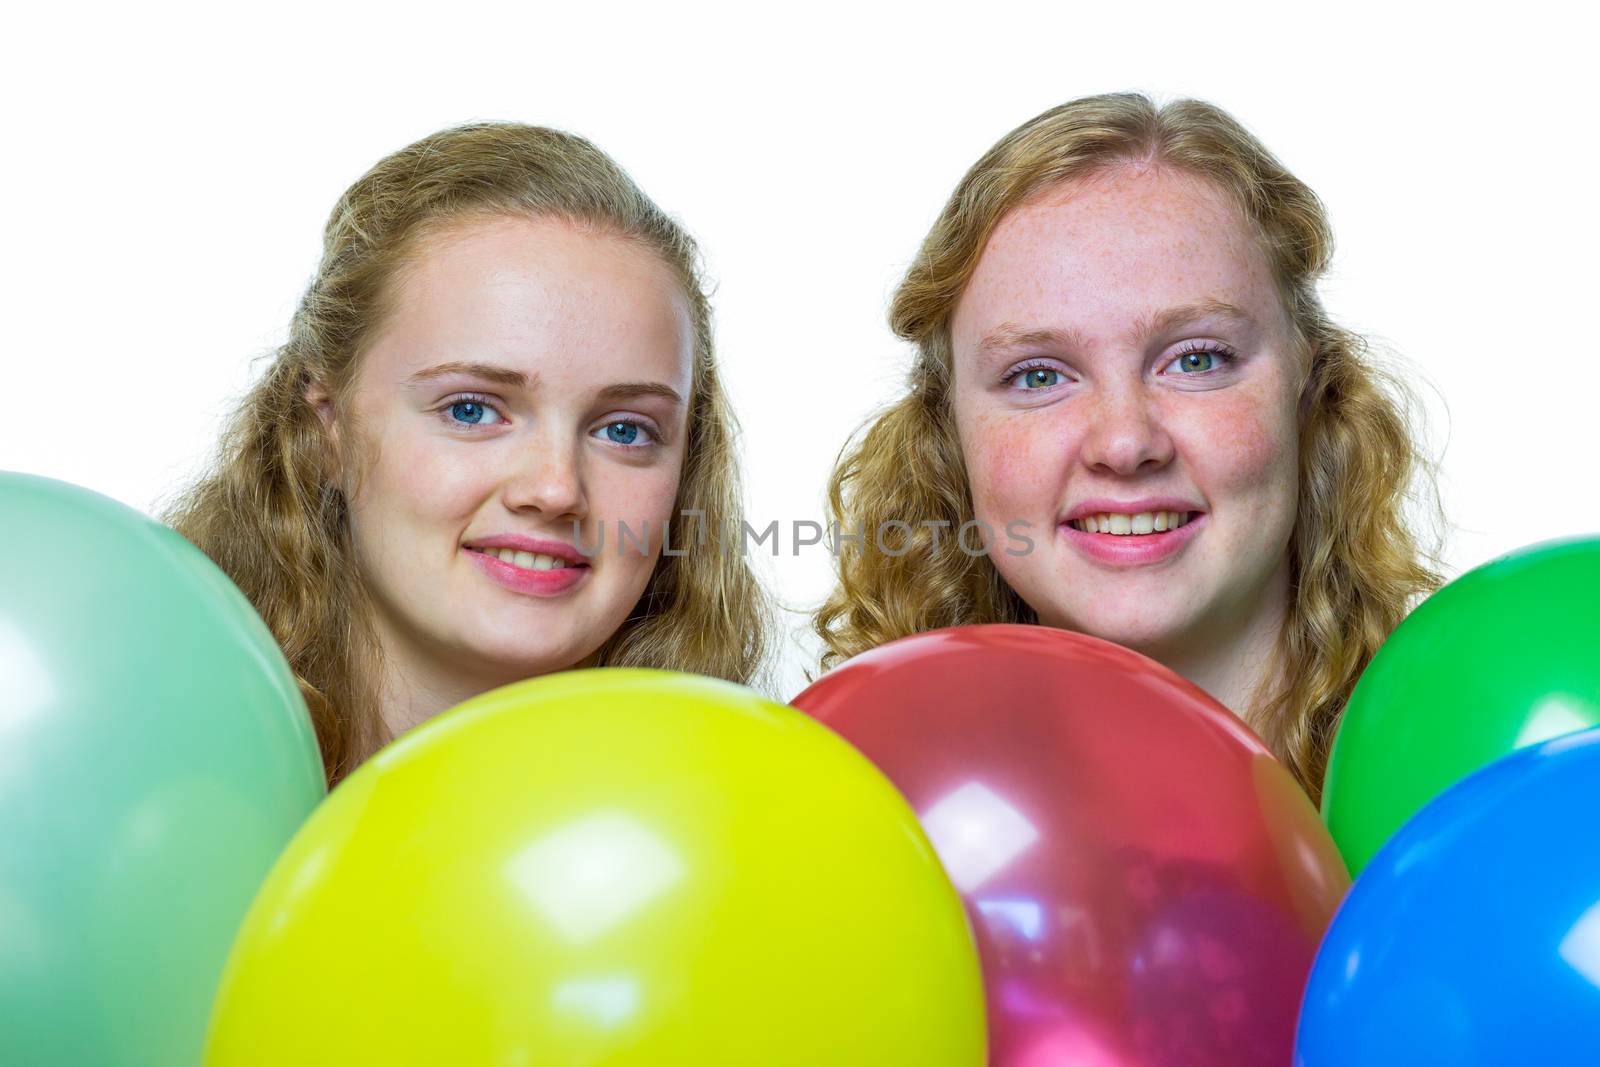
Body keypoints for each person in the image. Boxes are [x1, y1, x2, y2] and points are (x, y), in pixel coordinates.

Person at [813, 92, 1445, 802]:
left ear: (1309, 375)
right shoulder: (854, 798)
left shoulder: (1469, 760)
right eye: (1039, 375)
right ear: (947, 427)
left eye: (1197, 360)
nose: (1124, 441)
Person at [163, 123, 771, 786]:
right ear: (324, 433)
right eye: (472, 409)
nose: (557, 488)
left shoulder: (739, 813)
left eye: (624, 430)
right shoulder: (154, 766)